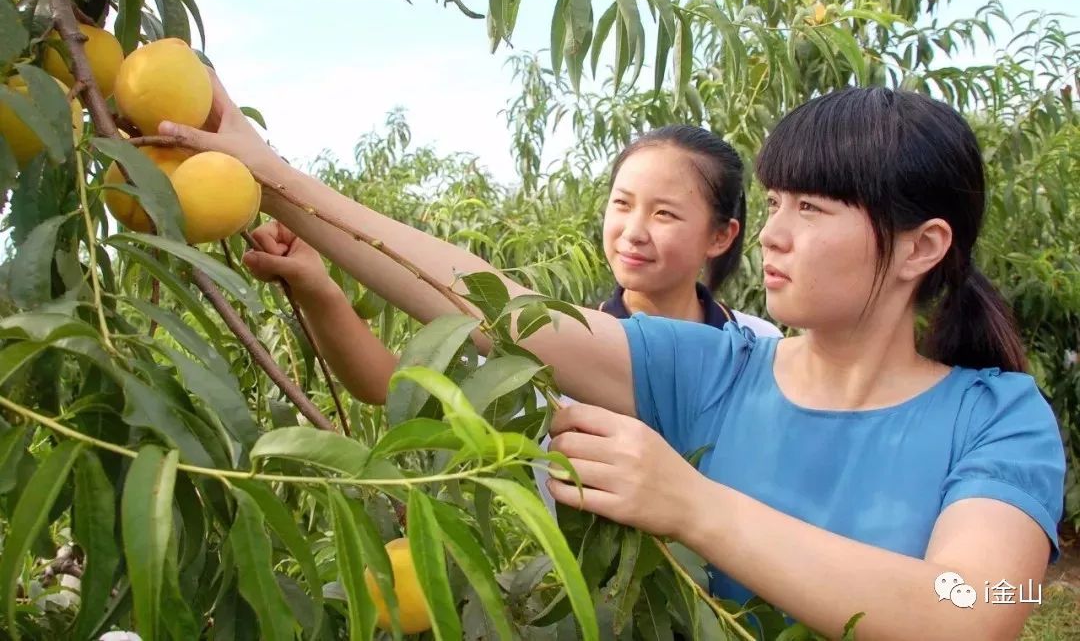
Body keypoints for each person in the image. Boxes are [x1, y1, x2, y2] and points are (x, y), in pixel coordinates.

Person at [162, 82, 1066, 639]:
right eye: (778, 202)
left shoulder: (997, 415)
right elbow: (498, 308)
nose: (777, 236)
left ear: (921, 246)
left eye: (816, 210)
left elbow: (973, 607)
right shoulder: (711, 370)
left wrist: (694, 505)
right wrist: (271, 174)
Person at [238, 124, 781, 511]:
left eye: (664, 213)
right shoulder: (553, 345)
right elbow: (387, 383)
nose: (634, 230)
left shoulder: (758, 345)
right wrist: (318, 288)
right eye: (622, 204)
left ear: (721, 235)